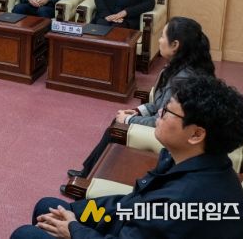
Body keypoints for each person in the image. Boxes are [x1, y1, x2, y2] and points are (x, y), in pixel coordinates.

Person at [12, 73, 243, 239]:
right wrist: (78, 211)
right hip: (132, 224)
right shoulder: (192, 160)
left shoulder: (182, 202)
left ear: (196, 134)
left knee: (26, 234)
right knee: (49, 207)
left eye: (168, 111)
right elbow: (130, 206)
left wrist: (74, 230)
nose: (159, 113)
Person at [65, 16, 215, 181]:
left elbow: (162, 121)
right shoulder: (180, 67)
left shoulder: (182, 80)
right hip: (168, 125)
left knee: (116, 129)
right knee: (118, 123)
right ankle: (89, 171)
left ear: (175, 45)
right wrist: (138, 110)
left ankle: (86, 178)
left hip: (172, 136)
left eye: (162, 36)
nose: (159, 40)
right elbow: (159, 104)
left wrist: (128, 120)